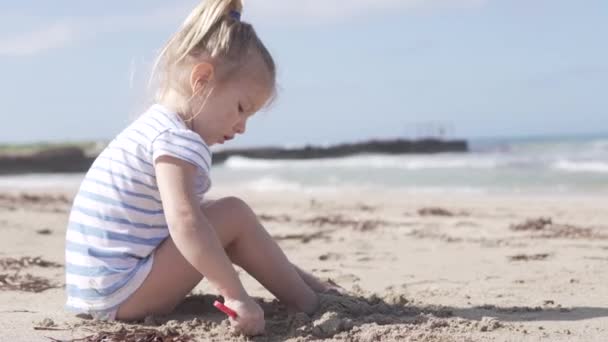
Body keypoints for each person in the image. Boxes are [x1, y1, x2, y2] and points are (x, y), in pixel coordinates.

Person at [64, 0, 338, 336]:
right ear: (202, 79)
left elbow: (195, 224)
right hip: (121, 294)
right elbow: (184, 223)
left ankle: (306, 285)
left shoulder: (154, 126)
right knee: (231, 214)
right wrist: (235, 296)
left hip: (95, 293)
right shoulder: (178, 138)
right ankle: (308, 303)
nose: (241, 127)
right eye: (241, 108)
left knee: (219, 218)